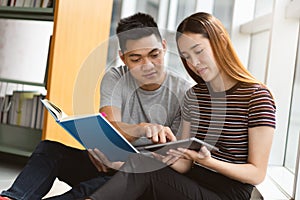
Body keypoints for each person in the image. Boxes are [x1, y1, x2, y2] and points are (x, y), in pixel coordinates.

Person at [85, 12, 276, 200]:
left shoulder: (257, 97)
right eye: (186, 56)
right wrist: (161, 156)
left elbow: (257, 173)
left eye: (199, 51)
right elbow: (184, 163)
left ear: (221, 42)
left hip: (226, 193)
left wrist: (208, 162)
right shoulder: (193, 96)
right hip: (191, 183)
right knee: (141, 164)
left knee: (141, 173)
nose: (194, 63)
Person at [0, 13, 192, 200]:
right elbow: (112, 126)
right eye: (136, 59)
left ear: (164, 47)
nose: (148, 65)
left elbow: (176, 159)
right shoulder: (115, 77)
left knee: (89, 188)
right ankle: (13, 197)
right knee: (49, 150)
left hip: (136, 177)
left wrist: (123, 164)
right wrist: (138, 130)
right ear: (123, 58)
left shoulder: (183, 93)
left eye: (154, 54)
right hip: (104, 163)